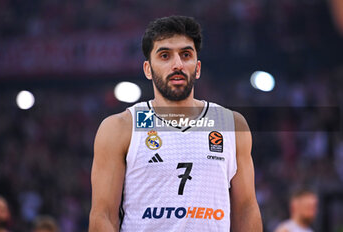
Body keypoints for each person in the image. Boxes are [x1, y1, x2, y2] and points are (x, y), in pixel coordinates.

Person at [89, 15, 262, 232]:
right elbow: (102, 216)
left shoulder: (231, 124)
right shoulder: (119, 128)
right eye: (165, 55)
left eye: (186, 55)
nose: (177, 64)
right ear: (148, 69)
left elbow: (246, 209)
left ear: (197, 68)